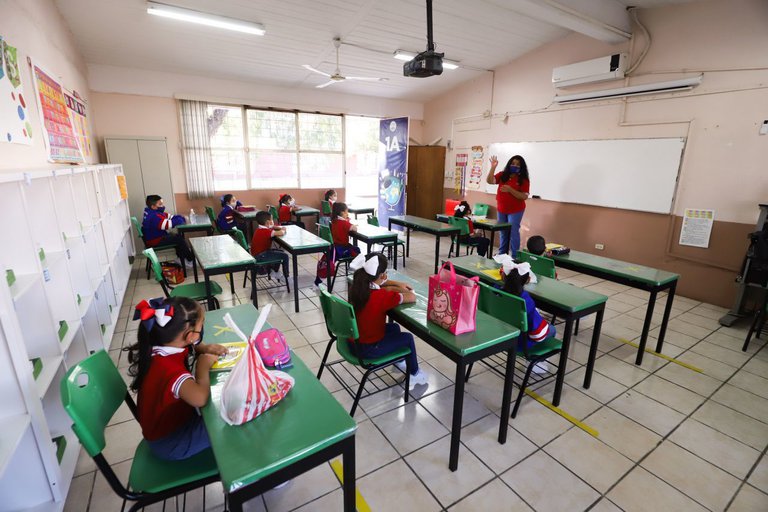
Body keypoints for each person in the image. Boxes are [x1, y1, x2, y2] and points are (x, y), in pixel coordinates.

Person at [123, 297, 228, 460]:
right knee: (231, 417)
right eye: (202, 324)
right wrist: (202, 366)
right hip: (172, 443)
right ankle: (259, 474)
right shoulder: (170, 370)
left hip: (170, 427)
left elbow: (188, 345)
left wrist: (203, 347)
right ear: (190, 336)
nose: (203, 327)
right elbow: (200, 398)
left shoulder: (160, 345)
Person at [348, 253, 428, 385]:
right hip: (367, 350)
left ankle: (398, 361)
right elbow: (411, 297)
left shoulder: (357, 287)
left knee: (394, 328)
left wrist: (394, 285)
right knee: (407, 338)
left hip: (354, 342)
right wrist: (397, 288)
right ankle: (414, 374)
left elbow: (382, 286)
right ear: (382, 276)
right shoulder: (380, 297)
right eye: (385, 274)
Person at [497, 256, 555, 373]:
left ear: (502, 275)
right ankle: (536, 364)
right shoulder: (525, 301)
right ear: (528, 280)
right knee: (552, 329)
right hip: (519, 343)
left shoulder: (495, 291)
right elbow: (538, 334)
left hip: (498, 335)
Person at [486, 154, 530, 257]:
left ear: (521, 167)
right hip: (502, 209)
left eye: (518, 164)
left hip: (516, 210)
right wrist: (493, 167)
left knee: (513, 233)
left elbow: (524, 196)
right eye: (513, 163)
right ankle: (502, 255)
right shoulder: (503, 175)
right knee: (503, 232)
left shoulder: (523, 180)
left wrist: (510, 190)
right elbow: (489, 181)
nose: (515, 166)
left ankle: (515, 256)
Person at [142, 194, 193, 266]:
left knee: (177, 237)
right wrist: (182, 219)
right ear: (153, 206)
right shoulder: (154, 216)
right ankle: (190, 260)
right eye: (160, 204)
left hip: (155, 237)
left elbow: (170, 217)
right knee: (179, 239)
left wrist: (180, 217)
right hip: (155, 240)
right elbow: (167, 225)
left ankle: (182, 258)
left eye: (162, 203)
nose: (162, 206)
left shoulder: (152, 212)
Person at [250, 210, 289, 283]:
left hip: (258, 254)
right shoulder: (266, 232)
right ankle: (286, 276)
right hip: (261, 256)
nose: (273, 221)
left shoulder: (260, 229)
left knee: (280, 252)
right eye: (272, 219)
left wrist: (274, 226)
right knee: (285, 256)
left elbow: (273, 227)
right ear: (268, 222)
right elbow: (281, 233)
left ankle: (273, 271)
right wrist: (283, 229)